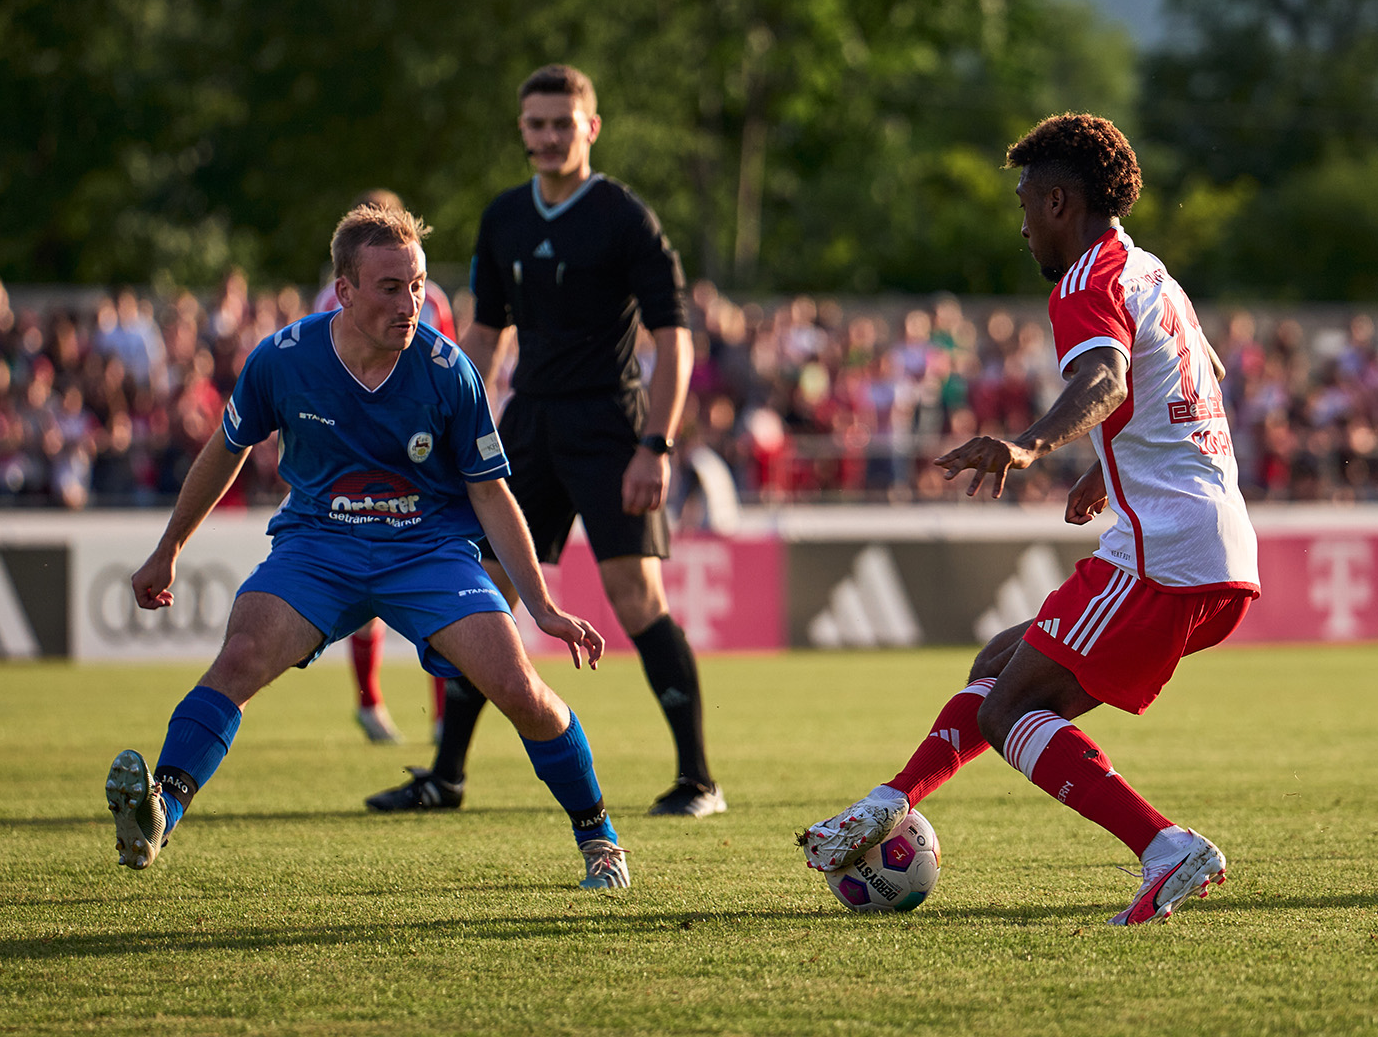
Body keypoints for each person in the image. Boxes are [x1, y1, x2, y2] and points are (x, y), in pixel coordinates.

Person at [798, 113, 1259, 926]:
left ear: (1057, 201)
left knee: (1011, 710)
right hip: (1198, 540)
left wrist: (1030, 444)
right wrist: (1100, 467)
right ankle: (884, 804)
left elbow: (1110, 382)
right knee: (1001, 664)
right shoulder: (1149, 271)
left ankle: (1166, 847)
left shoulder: (1086, 281)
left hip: (1166, 549)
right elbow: (1198, 370)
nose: (1020, 227)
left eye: (1022, 205)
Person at [104, 204, 631, 890]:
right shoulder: (283, 360)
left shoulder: (447, 369)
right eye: (390, 287)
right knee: (240, 657)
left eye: (416, 284)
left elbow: (491, 492)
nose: (410, 302)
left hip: (428, 551)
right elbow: (225, 450)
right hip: (318, 546)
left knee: (519, 688)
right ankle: (159, 813)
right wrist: (168, 546)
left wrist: (543, 606)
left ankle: (601, 840)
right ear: (344, 291)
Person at [365, 64, 723, 818]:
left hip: (611, 425)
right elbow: (487, 336)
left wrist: (655, 446)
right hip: (527, 425)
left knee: (634, 596)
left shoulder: (625, 216)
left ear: (590, 128)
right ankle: (447, 776)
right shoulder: (504, 219)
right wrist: (460, 423)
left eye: (565, 123)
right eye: (537, 124)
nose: (550, 136)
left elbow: (674, 339)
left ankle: (697, 780)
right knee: (481, 593)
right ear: (522, 130)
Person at [311, 189, 460, 746]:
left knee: (441, 588)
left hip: (416, 460)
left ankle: (443, 712)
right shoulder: (331, 298)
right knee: (362, 580)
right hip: (349, 462)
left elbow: (445, 371)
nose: (406, 300)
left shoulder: (433, 297)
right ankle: (371, 700)